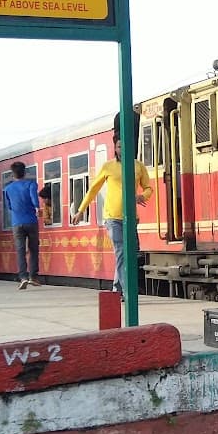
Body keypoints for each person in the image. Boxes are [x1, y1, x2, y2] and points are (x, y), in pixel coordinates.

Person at [75, 115, 154, 300]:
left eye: (125, 146)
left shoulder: (138, 166)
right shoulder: (108, 167)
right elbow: (93, 189)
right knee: (120, 253)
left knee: (131, 255)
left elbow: (149, 187)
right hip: (113, 218)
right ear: (115, 148)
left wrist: (143, 196)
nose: (122, 149)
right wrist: (81, 210)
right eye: (119, 146)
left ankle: (117, 289)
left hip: (131, 218)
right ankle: (128, 292)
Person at [2, 162, 43, 290]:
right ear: (24, 172)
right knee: (33, 249)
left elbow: (8, 206)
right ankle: (33, 277)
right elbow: (34, 198)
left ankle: (23, 277)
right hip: (31, 221)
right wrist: (37, 208)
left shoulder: (8, 189)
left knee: (20, 251)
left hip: (16, 223)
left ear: (12, 174)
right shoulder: (31, 184)